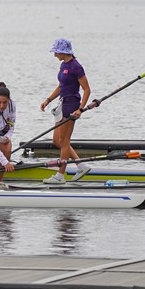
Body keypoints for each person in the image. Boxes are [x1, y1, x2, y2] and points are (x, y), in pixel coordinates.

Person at [39, 38, 93, 184]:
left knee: (64, 141)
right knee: (57, 141)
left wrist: (80, 109)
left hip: (71, 105)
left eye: (56, 52)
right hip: (62, 104)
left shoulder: (76, 67)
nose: (54, 55)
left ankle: (60, 176)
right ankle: (81, 165)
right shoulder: (63, 65)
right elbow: (61, 86)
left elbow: (87, 90)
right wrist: (48, 100)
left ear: (63, 51)